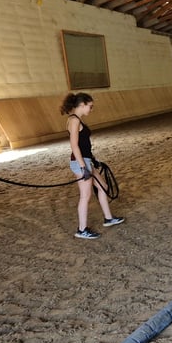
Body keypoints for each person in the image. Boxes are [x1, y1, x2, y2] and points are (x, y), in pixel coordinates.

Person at [60, 92, 124, 239]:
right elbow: (74, 146)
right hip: (80, 162)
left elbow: (84, 145)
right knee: (85, 196)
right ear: (82, 105)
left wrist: (92, 160)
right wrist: (84, 167)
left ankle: (108, 218)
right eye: (90, 106)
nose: (91, 109)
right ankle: (82, 229)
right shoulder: (74, 121)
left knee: (103, 186)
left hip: (87, 160)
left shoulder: (77, 120)